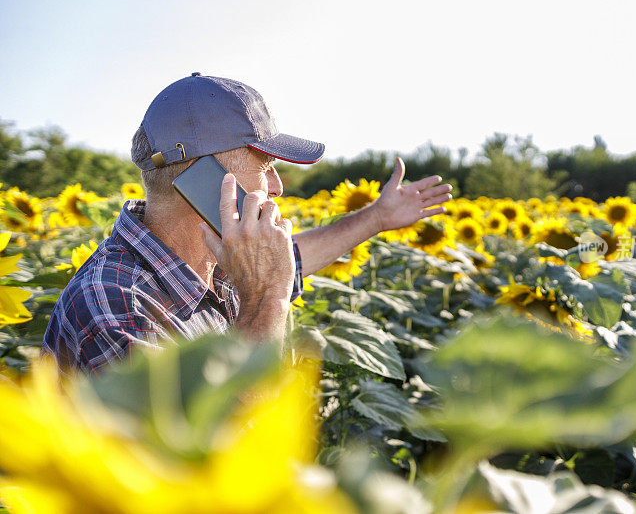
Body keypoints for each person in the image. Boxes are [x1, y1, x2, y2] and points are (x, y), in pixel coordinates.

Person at [41, 73, 452, 373]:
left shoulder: (209, 259)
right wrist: (268, 297)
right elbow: (202, 464)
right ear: (202, 176)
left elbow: (294, 258)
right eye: (266, 165)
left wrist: (377, 216)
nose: (277, 187)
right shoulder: (117, 307)